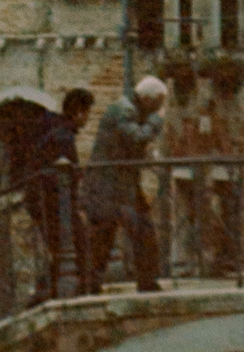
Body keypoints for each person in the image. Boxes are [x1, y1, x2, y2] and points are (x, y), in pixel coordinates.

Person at [79, 75, 168, 293]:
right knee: (105, 235)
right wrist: (156, 122)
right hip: (108, 186)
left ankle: (144, 281)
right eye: (157, 105)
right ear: (149, 99)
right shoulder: (124, 111)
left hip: (121, 184)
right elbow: (136, 137)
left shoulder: (128, 109)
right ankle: (91, 283)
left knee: (138, 230)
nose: (157, 109)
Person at [13, 87, 94, 298]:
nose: (87, 119)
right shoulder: (63, 136)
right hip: (50, 201)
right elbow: (67, 173)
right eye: (87, 114)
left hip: (41, 199)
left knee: (63, 247)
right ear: (79, 112)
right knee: (75, 244)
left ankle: (49, 291)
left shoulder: (55, 128)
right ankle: (72, 290)